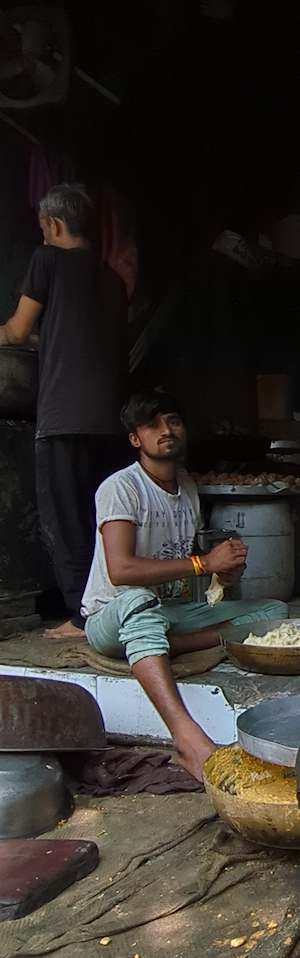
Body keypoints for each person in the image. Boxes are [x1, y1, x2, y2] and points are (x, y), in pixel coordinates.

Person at [81, 389, 287, 781]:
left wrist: (223, 574)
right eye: (152, 425)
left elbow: (189, 572)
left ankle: (159, 647)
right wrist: (202, 563)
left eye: (173, 421)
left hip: (166, 614)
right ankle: (188, 739)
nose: (166, 430)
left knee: (272, 612)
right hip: (113, 613)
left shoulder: (188, 488)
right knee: (140, 601)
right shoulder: (121, 488)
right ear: (135, 439)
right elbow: (121, 569)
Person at [0, 183, 128, 640]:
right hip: (110, 418)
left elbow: (16, 331)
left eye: (42, 228)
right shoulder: (111, 279)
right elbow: (73, 335)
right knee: (100, 518)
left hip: (64, 415)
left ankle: (81, 617)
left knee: (65, 518)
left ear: (53, 225)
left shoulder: (47, 260)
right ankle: (108, 607)